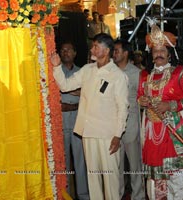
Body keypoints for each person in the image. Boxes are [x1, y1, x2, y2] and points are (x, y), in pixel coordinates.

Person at [51, 33, 129, 200]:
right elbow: (65, 86)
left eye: (96, 46)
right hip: (87, 133)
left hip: (108, 135)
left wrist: (117, 135)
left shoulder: (118, 76)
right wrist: (57, 67)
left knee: (111, 181)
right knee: (93, 180)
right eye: (93, 46)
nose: (92, 49)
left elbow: (123, 108)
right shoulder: (87, 70)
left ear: (106, 51)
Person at [137, 20, 183, 200]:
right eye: (155, 51)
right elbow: (139, 97)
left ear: (170, 54)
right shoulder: (144, 75)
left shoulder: (181, 73)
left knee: (176, 179)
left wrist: (170, 105)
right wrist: (141, 100)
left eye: (163, 50)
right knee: (155, 182)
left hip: (175, 133)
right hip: (151, 134)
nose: (159, 54)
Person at [113, 39, 145, 200]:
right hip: (112, 123)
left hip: (131, 121)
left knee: (134, 162)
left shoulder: (136, 73)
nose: (114, 53)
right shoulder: (109, 71)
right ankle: (117, 194)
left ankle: (138, 195)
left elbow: (142, 98)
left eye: (117, 50)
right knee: (116, 163)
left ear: (125, 53)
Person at [59, 42, 89, 200]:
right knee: (63, 163)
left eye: (69, 50)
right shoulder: (55, 72)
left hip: (78, 121)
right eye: (63, 50)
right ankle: (66, 194)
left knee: (80, 161)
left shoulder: (82, 72)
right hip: (61, 123)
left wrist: (71, 94)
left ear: (75, 53)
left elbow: (87, 94)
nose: (65, 52)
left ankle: (83, 195)